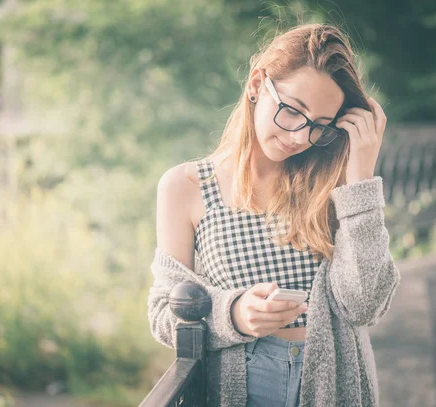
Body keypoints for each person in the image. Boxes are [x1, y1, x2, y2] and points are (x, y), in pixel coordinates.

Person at [150, 22, 400, 407]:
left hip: (333, 385)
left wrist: (361, 182)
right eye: (293, 111)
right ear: (256, 85)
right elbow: (166, 313)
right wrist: (234, 314)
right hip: (242, 387)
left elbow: (364, 305)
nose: (301, 137)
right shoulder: (185, 187)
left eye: (319, 126)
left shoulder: (334, 185)